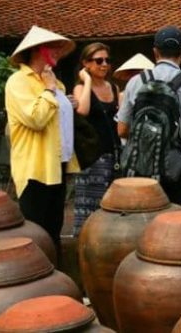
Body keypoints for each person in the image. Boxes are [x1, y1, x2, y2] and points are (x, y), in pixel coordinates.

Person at [116, 26, 181, 209]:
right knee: (179, 224)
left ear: (155, 52)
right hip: (175, 169)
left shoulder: (136, 81)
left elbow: (122, 130)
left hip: (138, 169)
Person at [5, 25, 79, 256]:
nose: (58, 51)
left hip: (57, 165)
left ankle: (56, 281)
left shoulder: (57, 84)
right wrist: (48, 91)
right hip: (35, 168)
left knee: (54, 230)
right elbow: (35, 119)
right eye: (52, 47)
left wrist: (64, 101)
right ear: (37, 50)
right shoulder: (18, 81)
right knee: (36, 233)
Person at [71, 42, 123, 235]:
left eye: (107, 61)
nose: (104, 65)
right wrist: (87, 81)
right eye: (98, 60)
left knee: (112, 209)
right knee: (89, 211)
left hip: (114, 155)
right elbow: (82, 110)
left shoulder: (114, 88)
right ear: (86, 64)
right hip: (92, 157)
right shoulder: (81, 88)